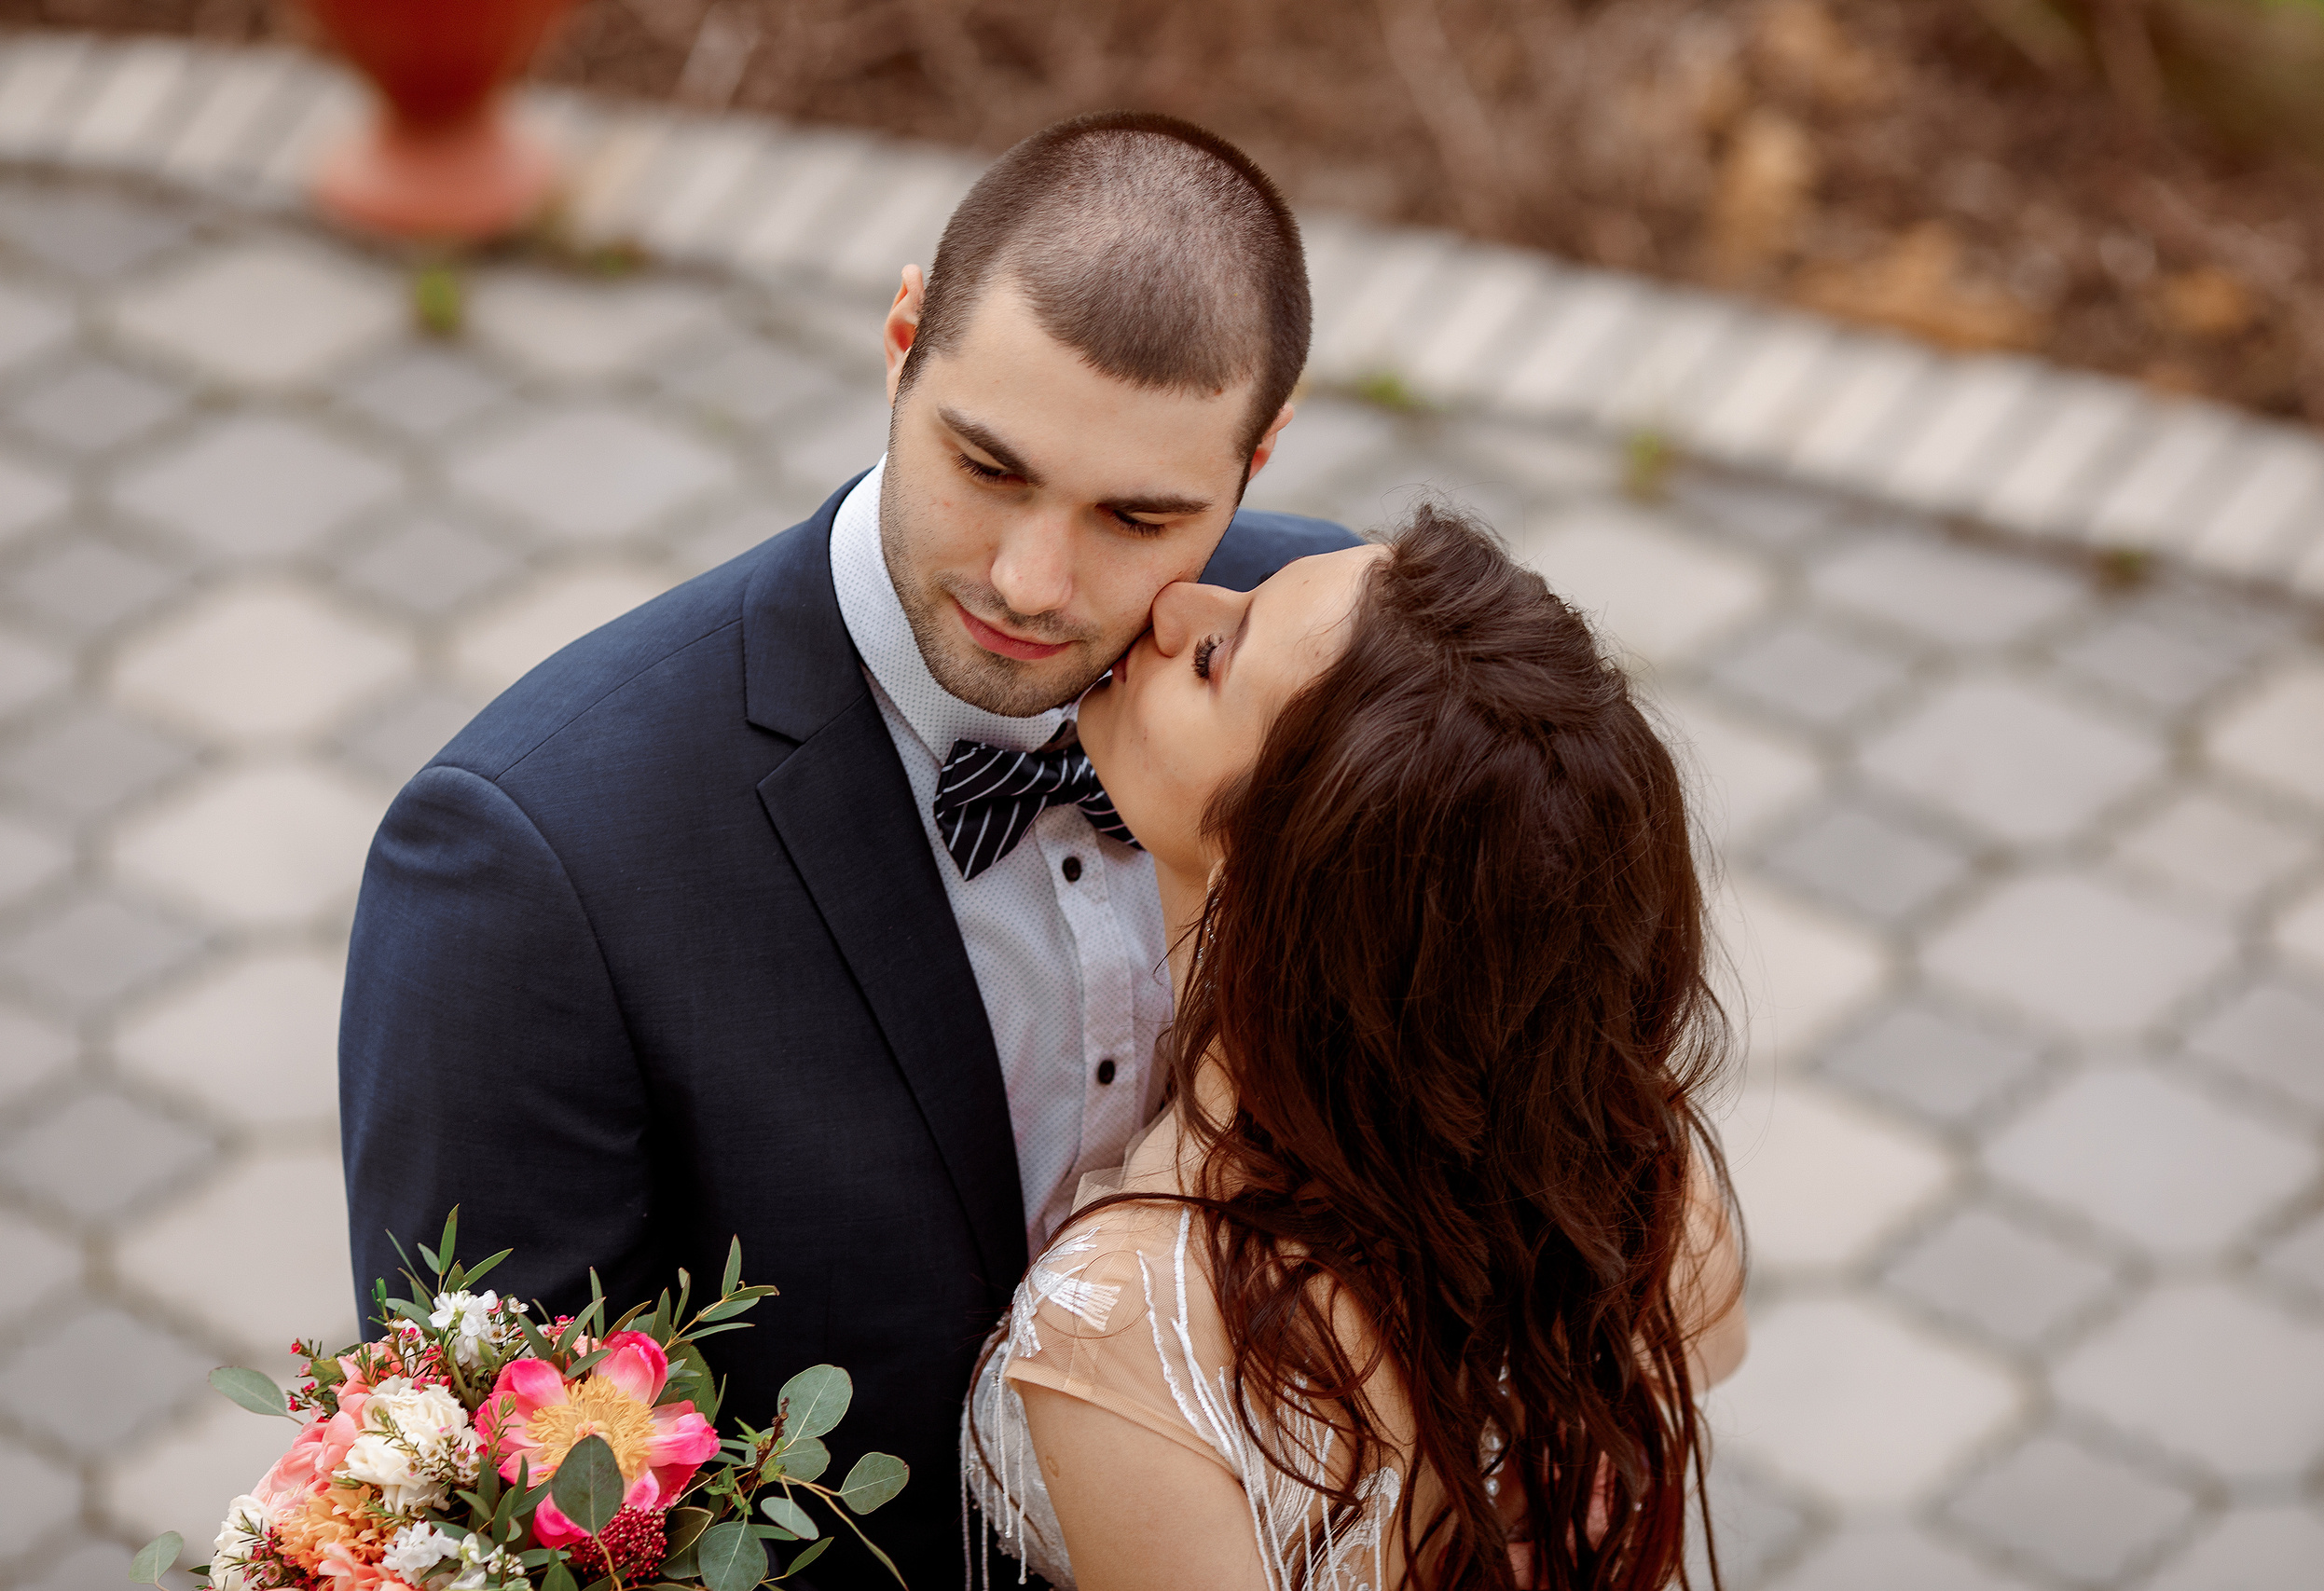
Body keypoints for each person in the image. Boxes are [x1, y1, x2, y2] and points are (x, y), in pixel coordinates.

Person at [339, 112, 1354, 1587]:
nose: (1033, 580)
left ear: (1257, 456)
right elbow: (508, 1518)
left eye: (1141, 515)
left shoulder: (1316, 660)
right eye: (986, 466)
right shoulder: (530, 862)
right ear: (900, 341)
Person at [963, 507, 1747, 1590]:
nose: (1174, 602)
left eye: (1211, 659)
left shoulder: (1126, 1326)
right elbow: (1698, 1359)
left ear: (1272, 874)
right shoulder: (1633, 1170)